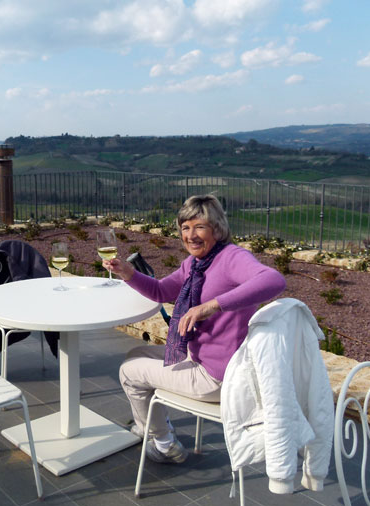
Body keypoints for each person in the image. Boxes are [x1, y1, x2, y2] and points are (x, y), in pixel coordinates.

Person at [102, 194, 286, 464]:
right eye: (185, 228)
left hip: (219, 376)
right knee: (136, 354)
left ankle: (163, 443)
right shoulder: (195, 264)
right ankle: (150, 425)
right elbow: (161, 291)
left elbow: (274, 280)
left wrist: (211, 306)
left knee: (129, 372)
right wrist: (128, 272)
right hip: (199, 357)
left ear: (217, 229)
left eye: (200, 227)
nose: (191, 235)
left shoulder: (232, 257)